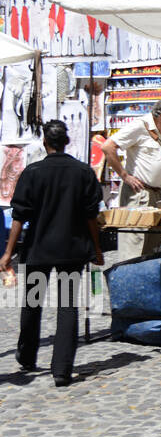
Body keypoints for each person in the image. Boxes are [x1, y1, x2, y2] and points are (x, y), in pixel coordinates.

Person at [0, 120, 103, 386]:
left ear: (45, 143)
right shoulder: (83, 172)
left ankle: (26, 356)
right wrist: (97, 248)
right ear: (66, 142)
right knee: (68, 306)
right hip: (72, 249)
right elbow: (92, 216)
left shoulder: (33, 172)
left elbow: (19, 217)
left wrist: (8, 252)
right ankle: (62, 369)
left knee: (33, 303)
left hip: (39, 249)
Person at [101, 95, 161, 257]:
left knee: (154, 242)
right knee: (135, 241)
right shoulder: (140, 126)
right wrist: (125, 176)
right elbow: (108, 147)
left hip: (159, 193)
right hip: (140, 193)